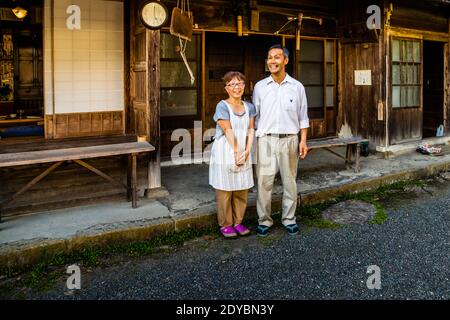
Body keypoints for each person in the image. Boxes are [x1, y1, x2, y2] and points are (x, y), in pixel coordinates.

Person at [252, 44, 309, 237]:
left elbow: (303, 117)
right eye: (269, 57)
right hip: (266, 140)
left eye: (277, 57)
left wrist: (303, 141)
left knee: (289, 181)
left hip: (290, 140)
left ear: (286, 60)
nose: (272, 61)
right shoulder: (260, 87)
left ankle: (289, 219)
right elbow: (255, 117)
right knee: (264, 182)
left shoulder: (297, 87)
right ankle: (264, 220)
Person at [209, 71, 257, 238]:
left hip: (244, 149)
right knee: (225, 189)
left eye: (240, 84)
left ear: (244, 86)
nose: (236, 87)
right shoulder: (222, 105)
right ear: (226, 88)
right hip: (226, 149)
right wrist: (237, 152)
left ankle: (238, 222)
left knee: (242, 188)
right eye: (232, 84)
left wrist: (247, 150)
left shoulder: (249, 106)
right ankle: (226, 224)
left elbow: (251, 129)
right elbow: (227, 130)